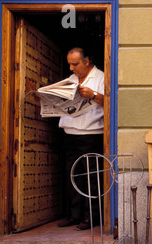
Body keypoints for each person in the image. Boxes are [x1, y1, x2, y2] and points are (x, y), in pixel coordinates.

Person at [57, 47, 105, 231]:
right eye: (69, 63)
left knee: (91, 178)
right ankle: (74, 215)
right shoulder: (70, 79)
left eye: (75, 64)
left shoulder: (100, 77)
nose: (71, 68)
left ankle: (92, 217)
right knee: (72, 176)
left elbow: (111, 101)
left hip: (90, 134)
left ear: (87, 62)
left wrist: (92, 95)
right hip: (69, 133)